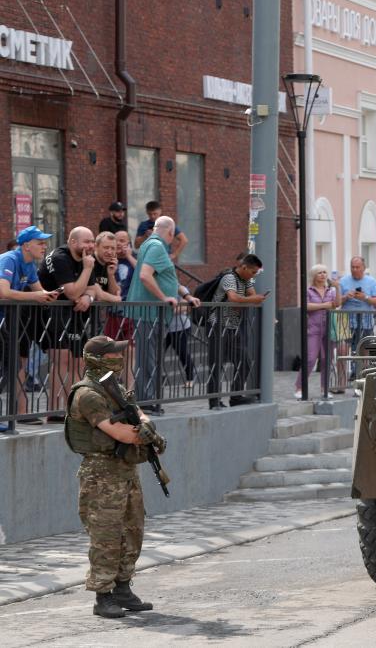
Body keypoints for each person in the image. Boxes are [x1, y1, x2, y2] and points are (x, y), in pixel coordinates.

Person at [65, 334, 165, 619]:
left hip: (126, 469)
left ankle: (122, 588)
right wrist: (146, 434)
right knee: (106, 536)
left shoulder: (114, 386)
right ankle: (103, 596)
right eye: (113, 355)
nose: (120, 358)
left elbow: (138, 414)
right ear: (96, 359)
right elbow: (121, 433)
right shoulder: (88, 394)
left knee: (132, 531)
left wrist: (146, 426)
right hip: (102, 474)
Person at [125, 216, 199, 413]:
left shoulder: (152, 246)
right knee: (147, 359)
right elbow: (144, 275)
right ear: (171, 232)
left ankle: (150, 401)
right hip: (149, 313)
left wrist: (186, 295)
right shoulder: (157, 247)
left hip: (152, 314)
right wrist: (164, 297)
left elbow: (168, 278)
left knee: (150, 358)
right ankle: (147, 402)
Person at [37, 227, 99, 416]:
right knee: (61, 359)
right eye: (86, 241)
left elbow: (92, 289)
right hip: (51, 312)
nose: (91, 245)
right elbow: (72, 293)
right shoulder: (60, 257)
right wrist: (87, 269)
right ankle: (55, 411)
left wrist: (88, 298)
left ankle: (73, 409)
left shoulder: (87, 259)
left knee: (78, 361)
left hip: (74, 316)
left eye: (92, 241)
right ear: (73, 242)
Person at [0, 226, 59, 415]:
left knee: (12, 365)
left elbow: (39, 291)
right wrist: (37, 296)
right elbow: (4, 292)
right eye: (40, 243)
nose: (44, 246)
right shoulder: (9, 259)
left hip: (3, 322)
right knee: (10, 365)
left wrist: (51, 294)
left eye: (45, 243)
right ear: (26, 245)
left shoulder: (30, 265)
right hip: (3, 321)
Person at [207, 254, 266, 409]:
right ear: (244, 267)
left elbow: (252, 295)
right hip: (218, 325)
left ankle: (236, 397)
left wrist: (253, 298)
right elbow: (233, 298)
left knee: (244, 362)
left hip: (233, 326)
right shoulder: (229, 278)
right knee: (216, 364)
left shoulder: (246, 280)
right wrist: (252, 300)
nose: (254, 275)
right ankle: (214, 401)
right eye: (253, 272)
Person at [296, 264, 341, 399]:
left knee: (327, 359)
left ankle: (324, 389)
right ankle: (299, 387)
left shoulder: (330, 291)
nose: (323, 275)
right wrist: (324, 305)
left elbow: (337, 304)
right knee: (310, 359)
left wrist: (338, 288)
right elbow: (306, 306)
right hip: (313, 329)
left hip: (329, 329)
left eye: (324, 272)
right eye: (319, 273)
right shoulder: (309, 291)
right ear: (314, 276)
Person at [339, 257, 376, 380]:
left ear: (363, 268)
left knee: (364, 350)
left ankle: (362, 375)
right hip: (346, 322)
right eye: (352, 267)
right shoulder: (343, 281)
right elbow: (336, 302)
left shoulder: (371, 281)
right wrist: (346, 297)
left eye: (357, 267)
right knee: (343, 350)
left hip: (365, 322)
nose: (354, 269)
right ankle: (342, 380)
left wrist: (365, 298)